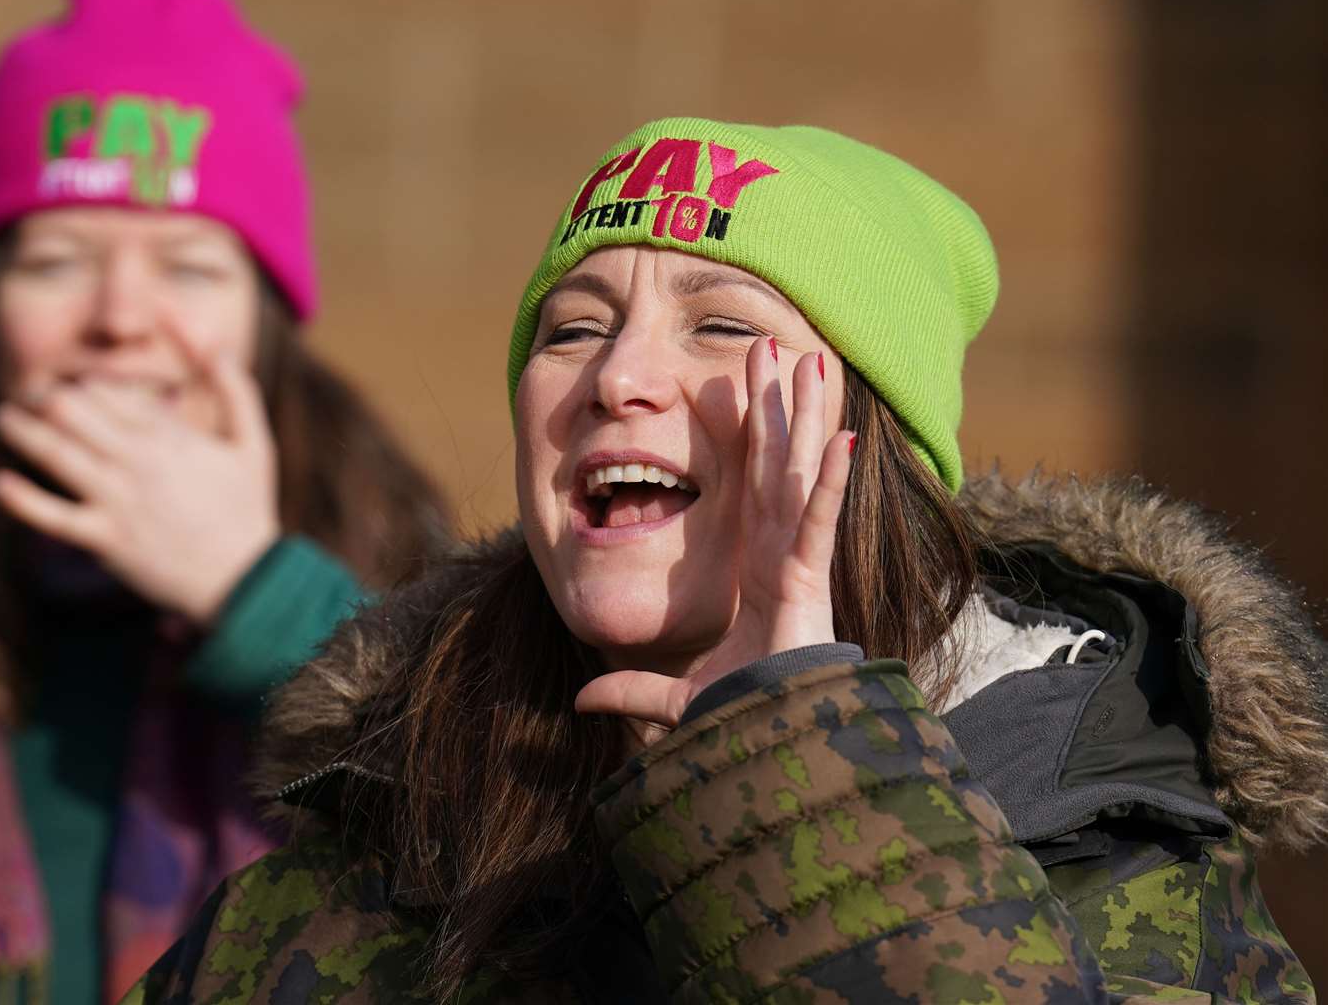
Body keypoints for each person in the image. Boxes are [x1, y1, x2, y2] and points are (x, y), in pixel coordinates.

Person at [130, 118, 1326, 1004]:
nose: (616, 378)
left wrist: (794, 763)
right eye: (575, 328)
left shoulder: (1120, 853)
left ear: (866, 451)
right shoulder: (347, 874)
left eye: (720, 326)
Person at [0, 0, 447, 1005]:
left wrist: (255, 593)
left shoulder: (400, 573)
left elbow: (494, 848)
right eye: (56, 262)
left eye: (189, 268)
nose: (121, 319)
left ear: (262, 325)